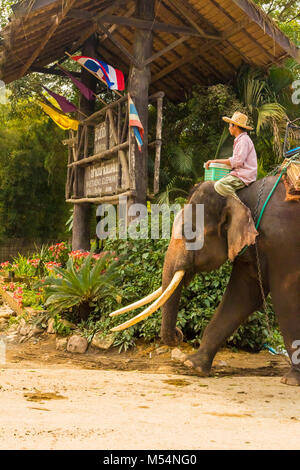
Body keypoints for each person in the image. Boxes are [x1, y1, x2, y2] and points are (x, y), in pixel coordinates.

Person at [205, 112, 257, 201]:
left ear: (235, 126)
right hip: (239, 173)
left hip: (243, 176)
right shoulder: (240, 140)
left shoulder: (243, 141)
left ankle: (240, 208)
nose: (229, 128)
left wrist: (215, 161)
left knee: (219, 185)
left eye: (230, 125)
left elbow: (237, 162)